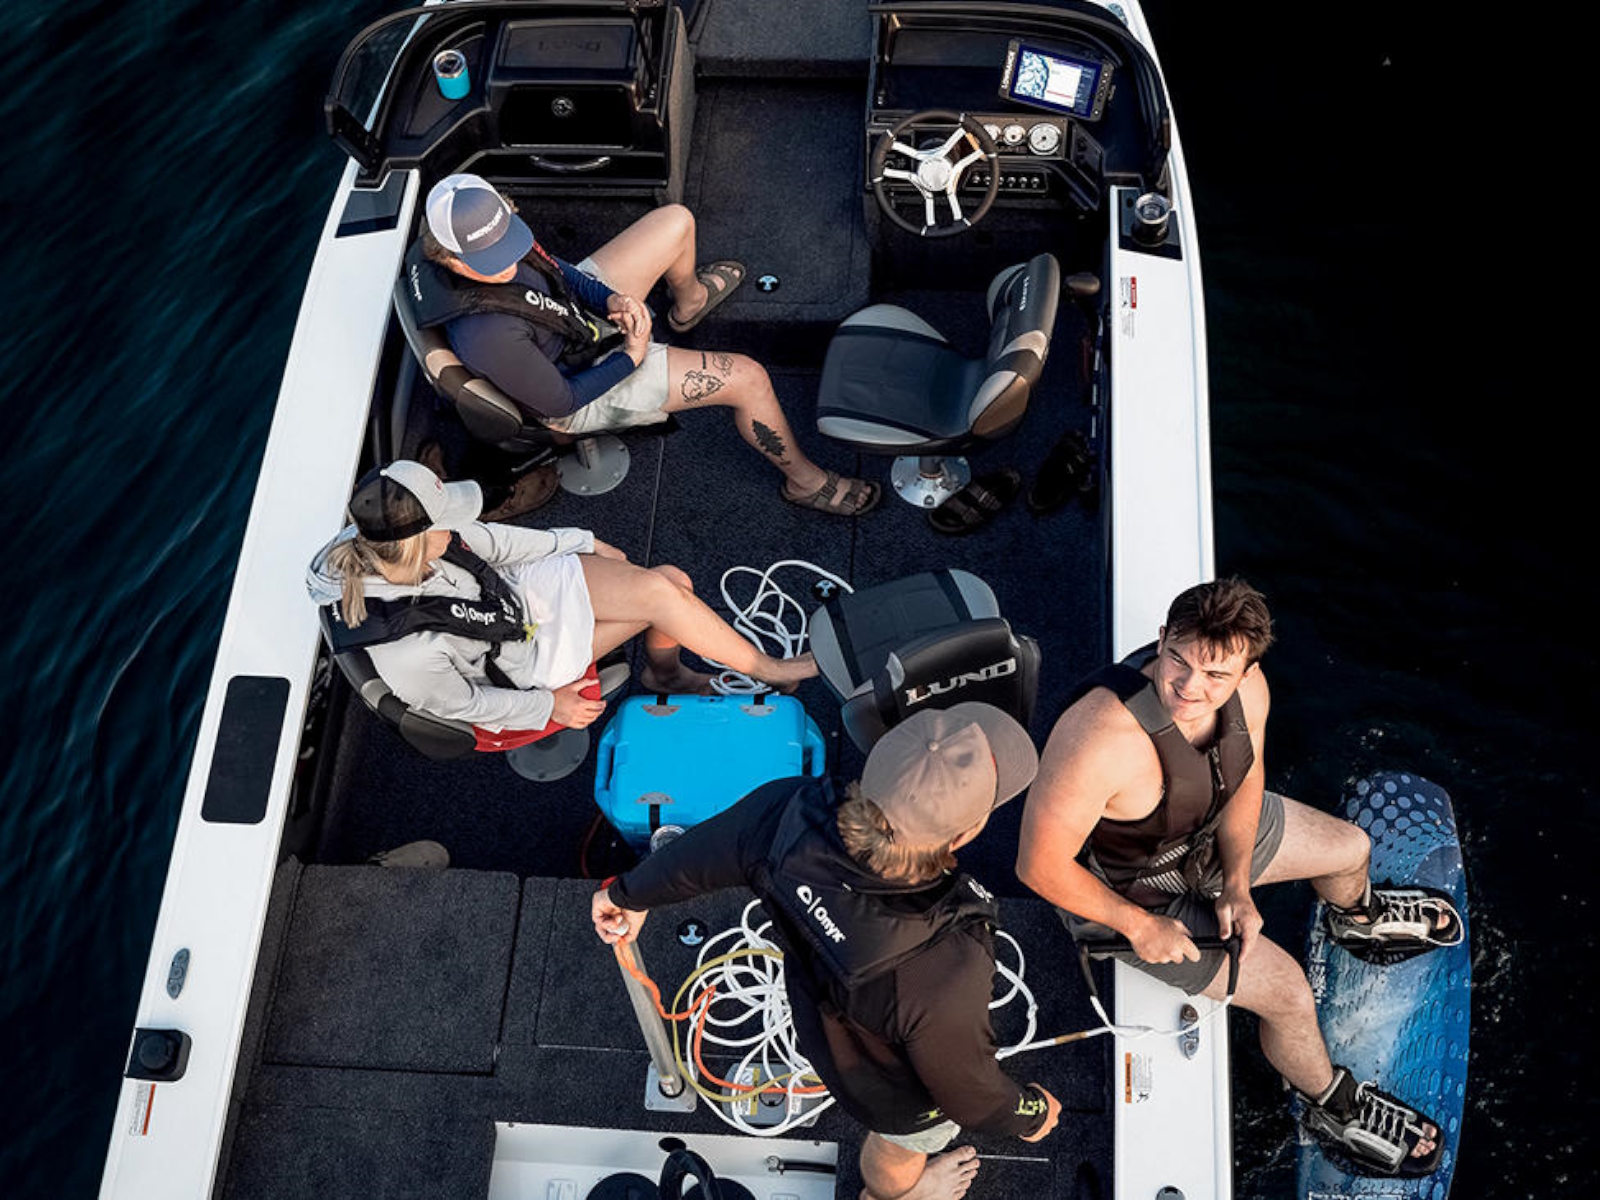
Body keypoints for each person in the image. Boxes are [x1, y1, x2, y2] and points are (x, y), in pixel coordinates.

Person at [1015, 579, 1461, 1178]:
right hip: (1133, 894)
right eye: (1178, 659)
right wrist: (1139, 927)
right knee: (1289, 994)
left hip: (1203, 835)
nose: (1189, 687)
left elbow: (1245, 775)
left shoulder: (1250, 690)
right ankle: (1331, 1108)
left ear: (1246, 670)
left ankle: (1357, 921)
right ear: (1162, 640)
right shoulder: (1098, 738)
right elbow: (1038, 866)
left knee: (1352, 848)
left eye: (1215, 675)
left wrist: (1238, 883)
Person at [591, 704, 1062, 1200]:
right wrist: (1028, 1113)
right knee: (900, 1147)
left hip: (816, 1023)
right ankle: (890, 1195)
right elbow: (969, 1093)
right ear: (965, 835)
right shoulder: (948, 965)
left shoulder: (788, 811)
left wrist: (628, 894)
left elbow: (703, 853)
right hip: (886, 1089)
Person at [407, 173, 880, 516]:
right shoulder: (487, 335)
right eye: (493, 259)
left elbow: (557, 271)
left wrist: (610, 299)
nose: (509, 262)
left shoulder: (497, 243)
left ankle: (689, 303)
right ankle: (804, 482)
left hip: (572, 322)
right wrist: (632, 356)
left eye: (510, 242)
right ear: (451, 259)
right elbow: (561, 402)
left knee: (675, 220)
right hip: (578, 385)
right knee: (749, 379)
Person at [306, 460, 816, 733]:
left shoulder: (398, 540)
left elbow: (500, 545)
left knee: (669, 582)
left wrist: (581, 541)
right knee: (668, 590)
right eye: (447, 522)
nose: (457, 526)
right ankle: (768, 670)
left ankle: (667, 676)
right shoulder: (406, 653)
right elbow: (467, 705)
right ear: (419, 543)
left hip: (514, 594)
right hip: (522, 663)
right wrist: (549, 706)